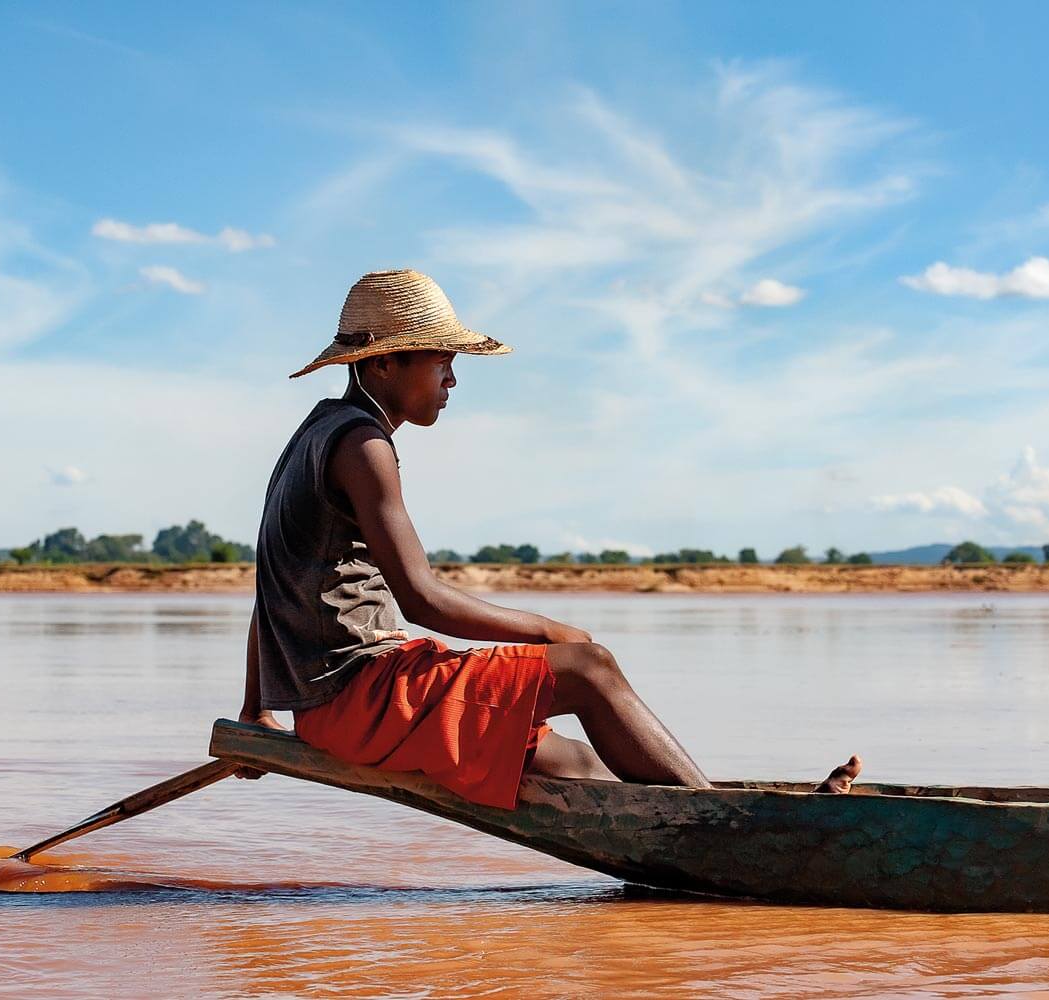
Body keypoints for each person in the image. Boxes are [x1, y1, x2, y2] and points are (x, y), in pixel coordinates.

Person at [237, 269, 860, 809]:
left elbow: (274, 584)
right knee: (589, 669)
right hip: (361, 699)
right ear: (383, 363)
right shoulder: (364, 445)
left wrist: (255, 710)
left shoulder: (316, 433)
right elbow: (423, 599)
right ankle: (727, 821)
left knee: (573, 764)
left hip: (347, 699)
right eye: (440, 360)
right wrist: (549, 631)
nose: (452, 379)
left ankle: (708, 811)